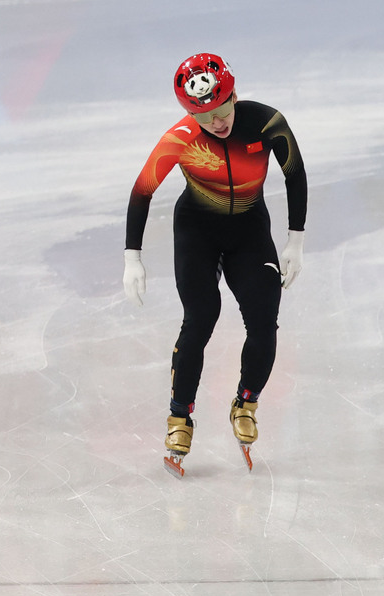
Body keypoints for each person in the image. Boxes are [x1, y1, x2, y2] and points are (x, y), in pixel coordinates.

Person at [123, 53, 308, 476]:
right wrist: (132, 256)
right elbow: (142, 190)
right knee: (202, 317)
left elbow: (294, 174)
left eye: (222, 111)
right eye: (203, 117)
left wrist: (295, 240)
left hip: (248, 232)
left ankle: (246, 401)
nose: (217, 123)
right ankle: (179, 416)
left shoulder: (266, 122)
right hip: (197, 233)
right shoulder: (181, 136)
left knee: (264, 320)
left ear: (235, 96)